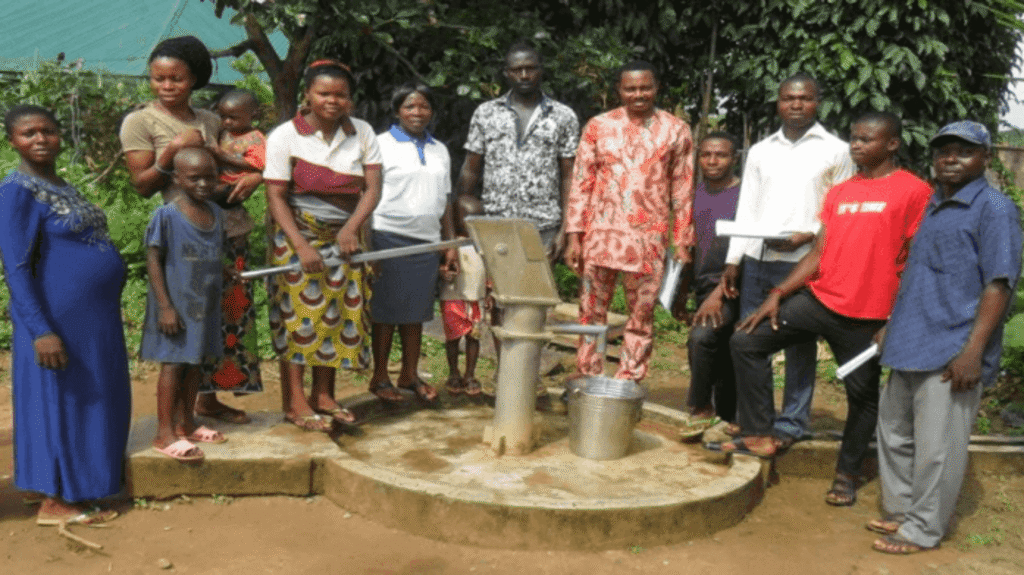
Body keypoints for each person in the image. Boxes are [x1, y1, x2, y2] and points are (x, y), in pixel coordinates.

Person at [709, 113, 933, 509]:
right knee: (746, 341)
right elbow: (818, 252)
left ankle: (847, 472)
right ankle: (759, 433)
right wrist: (778, 293)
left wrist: (897, 318)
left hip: (869, 314)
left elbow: (919, 261)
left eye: (867, 139)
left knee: (862, 396)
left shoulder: (914, 191)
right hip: (820, 300)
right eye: (854, 138)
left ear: (892, 144)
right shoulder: (841, 191)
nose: (856, 145)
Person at [869, 121, 1022, 554]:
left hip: (952, 348)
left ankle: (922, 529)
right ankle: (901, 510)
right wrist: (893, 324)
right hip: (909, 340)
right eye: (943, 151)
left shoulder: (994, 209)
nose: (950, 159)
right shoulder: (935, 204)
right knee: (893, 432)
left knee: (938, 448)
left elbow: (999, 283)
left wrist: (973, 350)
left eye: (964, 151)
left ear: (985, 158)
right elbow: (921, 275)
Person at [120, 35, 259, 424]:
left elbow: (230, 165)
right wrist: (171, 150)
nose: (166, 86)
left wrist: (255, 176)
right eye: (158, 78)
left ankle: (208, 400)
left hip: (229, 228)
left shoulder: (211, 120)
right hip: (186, 239)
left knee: (226, 319)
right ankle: (179, 417)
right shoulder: (140, 122)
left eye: (176, 79)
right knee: (188, 320)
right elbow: (142, 185)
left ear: (194, 78)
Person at [1, 105, 129, 524]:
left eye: (48, 131)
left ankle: (69, 486)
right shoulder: (17, 190)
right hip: (57, 320)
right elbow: (16, 267)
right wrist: (41, 330)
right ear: (12, 141)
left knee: (90, 399)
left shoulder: (61, 185)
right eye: (28, 133)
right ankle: (56, 501)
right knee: (61, 403)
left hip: (91, 321)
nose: (40, 139)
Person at [719, 73, 855, 445]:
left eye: (805, 98)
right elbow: (748, 206)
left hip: (804, 261)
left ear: (818, 102)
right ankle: (756, 420)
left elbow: (839, 210)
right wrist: (734, 260)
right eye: (788, 98)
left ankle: (793, 422)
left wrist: (809, 233)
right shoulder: (761, 151)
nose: (796, 104)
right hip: (759, 258)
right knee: (750, 339)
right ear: (778, 103)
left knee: (799, 345)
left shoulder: (837, 151)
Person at [457, 40, 579, 399]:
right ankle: (504, 372)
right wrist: (463, 215)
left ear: (541, 70)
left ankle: (528, 375)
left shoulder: (563, 116)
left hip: (543, 225)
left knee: (534, 302)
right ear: (506, 73)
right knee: (500, 301)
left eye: (531, 68)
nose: (524, 75)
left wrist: (567, 228)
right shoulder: (486, 113)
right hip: (497, 224)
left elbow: (569, 174)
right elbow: (471, 168)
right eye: (517, 69)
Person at [263, 60, 381, 431]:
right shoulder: (285, 135)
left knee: (336, 316)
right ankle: (296, 402)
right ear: (308, 96)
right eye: (323, 93)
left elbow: (372, 189)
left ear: (350, 99)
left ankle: (324, 395)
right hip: (297, 235)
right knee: (298, 318)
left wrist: (351, 229)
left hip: (345, 238)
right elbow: (276, 196)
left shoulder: (362, 132)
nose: (332, 100)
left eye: (340, 95)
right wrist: (300, 245)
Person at [564, 60, 694, 383]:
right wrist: (574, 236)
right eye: (631, 88)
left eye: (645, 88)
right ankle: (588, 378)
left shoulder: (675, 130)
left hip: (647, 241)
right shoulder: (598, 126)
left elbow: (683, 188)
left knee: (641, 316)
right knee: (590, 312)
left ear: (656, 88)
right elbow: (581, 183)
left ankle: (628, 383)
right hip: (599, 239)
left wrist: (682, 240)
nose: (639, 94)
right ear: (619, 91)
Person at [141, 148, 233, 461]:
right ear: (177, 179)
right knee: (173, 365)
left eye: (210, 177)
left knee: (195, 363)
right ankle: (164, 432)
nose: (204, 184)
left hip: (203, 305)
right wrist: (165, 307)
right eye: (194, 178)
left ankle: (187, 422)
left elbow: (209, 252)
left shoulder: (216, 212)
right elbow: (154, 259)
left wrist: (224, 270)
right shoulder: (167, 215)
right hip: (176, 306)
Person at [369, 82, 456, 403]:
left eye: (424, 106)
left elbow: (447, 199)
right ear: (397, 111)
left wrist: (449, 243)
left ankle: (409, 374)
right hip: (388, 236)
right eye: (410, 106)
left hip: (427, 243)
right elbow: (366, 194)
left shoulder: (439, 149)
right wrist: (368, 245)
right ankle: (380, 376)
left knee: (415, 312)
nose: (417, 112)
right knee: (385, 312)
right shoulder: (379, 145)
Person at [190, 89, 267, 406]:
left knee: (234, 310)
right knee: (204, 313)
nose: (226, 122)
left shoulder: (255, 140)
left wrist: (223, 157)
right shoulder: (218, 132)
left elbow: (259, 167)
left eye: (233, 117)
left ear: (253, 116)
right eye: (223, 116)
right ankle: (201, 397)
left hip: (232, 229)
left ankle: (219, 392)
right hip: (203, 228)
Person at [671, 132, 742, 423]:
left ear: (734, 159)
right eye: (706, 155)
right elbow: (689, 248)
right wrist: (680, 294)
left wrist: (718, 295)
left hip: (737, 288)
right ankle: (724, 418)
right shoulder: (693, 196)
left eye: (721, 155)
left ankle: (700, 408)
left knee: (702, 338)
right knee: (720, 355)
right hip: (703, 288)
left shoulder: (745, 197)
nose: (713, 161)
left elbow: (747, 251)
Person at [440, 195, 488, 396]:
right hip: (453, 297)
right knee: (452, 338)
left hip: (476, 298)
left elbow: (490, 270)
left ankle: (470, 374)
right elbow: (441, 266)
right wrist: (443, 271)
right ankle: (453, 372)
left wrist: (490, 292)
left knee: (473, 337)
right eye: (469, 220)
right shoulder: (450, 244)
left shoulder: (483, 244)